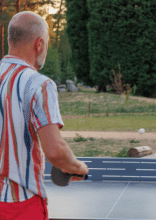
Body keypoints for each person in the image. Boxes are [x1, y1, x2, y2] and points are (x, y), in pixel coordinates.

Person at [0, 11, 88, 219]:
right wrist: (78, 167)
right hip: (19, 205)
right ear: (39, 45)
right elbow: (55, 151)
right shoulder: (39, 84)